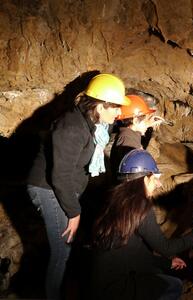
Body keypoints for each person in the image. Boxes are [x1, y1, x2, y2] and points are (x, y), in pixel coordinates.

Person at [26, 73, 130, 299]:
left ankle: (68, 287)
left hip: (66, 186)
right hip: (47, 187)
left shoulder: (94, 124)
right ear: (101, 106)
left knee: (71, 244)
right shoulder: (71, 127)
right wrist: (74, 212)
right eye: (116, 107)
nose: (119, 112)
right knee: (62, 248)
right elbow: (60, 175)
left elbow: (113, 131)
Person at [91, 149, 193, 300]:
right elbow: (166, 247)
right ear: (145, 179)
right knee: (174, 286)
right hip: (115, 289)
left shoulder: (116, 201)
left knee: (160, 276)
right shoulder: (141, 209)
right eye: (155, 178)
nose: (159, 184)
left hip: (100, 283)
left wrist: (166, 263)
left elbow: (134, 254)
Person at [109, 94, 165, 177]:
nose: (146, 123)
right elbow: (132, 174)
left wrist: (147, 124)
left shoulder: (129, 134)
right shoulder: (127, 140)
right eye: (145, 120)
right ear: (135, 121)